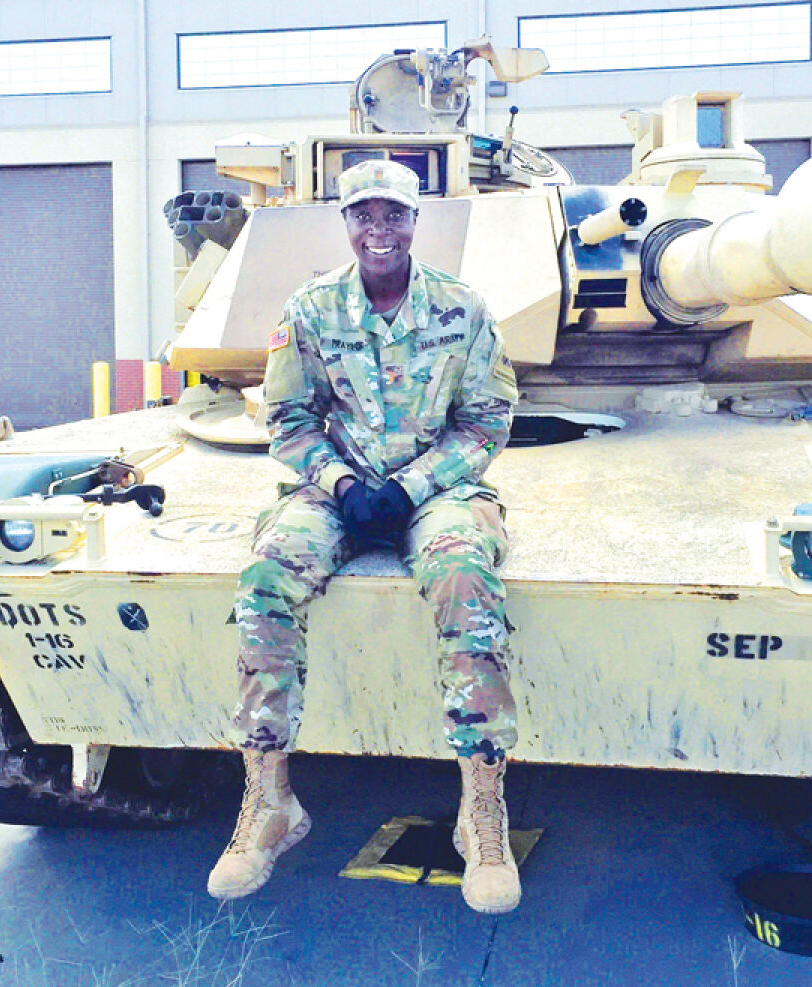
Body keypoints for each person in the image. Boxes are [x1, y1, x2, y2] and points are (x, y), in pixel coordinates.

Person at [207, 159, 521, 914]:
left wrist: (410, 486)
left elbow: (487, 418)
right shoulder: (312, 309)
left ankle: (482, 810)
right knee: (267, 575)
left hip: (437, 491)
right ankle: (269, 799)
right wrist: (341, 483)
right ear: (346, 223)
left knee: (466, 577)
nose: (379, 230)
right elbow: (288, 417)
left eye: (393, 215)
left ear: (415, 221)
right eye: (363, 215)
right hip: (336, 490)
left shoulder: (462, 308)